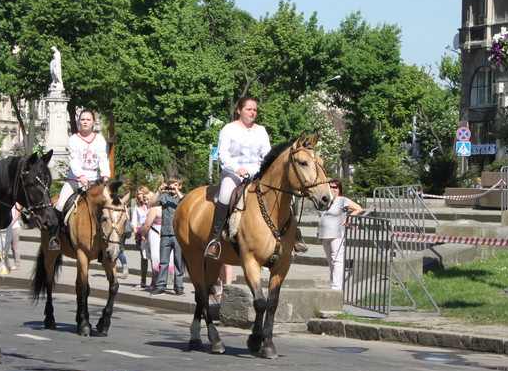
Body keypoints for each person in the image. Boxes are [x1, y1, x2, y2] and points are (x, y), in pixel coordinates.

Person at [206, 96, 308, 258]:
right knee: (225, 194)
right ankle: (215, 239)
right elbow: (223, 154)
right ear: (239, 110)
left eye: (254, 110)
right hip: (234, 171)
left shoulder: (260, 130)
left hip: (258, 171)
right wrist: (236, 168)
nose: (252, 112)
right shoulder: (228, 129)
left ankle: (295, 234)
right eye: (249, 109)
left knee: (289, 195)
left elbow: (267, 154)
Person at [55, 109, 110, 226]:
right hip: (75, 181)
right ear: (79, 121)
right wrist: (81, 176)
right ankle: (54, 235)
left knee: (112, 204)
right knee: (60, 205)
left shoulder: (100, 139)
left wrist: (105, 175)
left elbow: (103, 159)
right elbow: (74, 160)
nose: (85, 122)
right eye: (83, 119)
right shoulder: (74, 139)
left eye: (88, 120)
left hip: (94, 180)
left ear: (93, 122)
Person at [318, 178, 363, 291]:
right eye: (330, 187)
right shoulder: (324, 200)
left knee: (337, 259)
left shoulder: (342, 200)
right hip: (324, 234)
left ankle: (336, 287)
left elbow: (358, 208)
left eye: (335, 187)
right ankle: (334, 283)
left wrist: (349, 218)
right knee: (330, 260)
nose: (333, 189)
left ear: (339, 189)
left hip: (336, 233)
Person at [147, 175, 185, 296]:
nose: (172, 187)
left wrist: (177, 191)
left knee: (179, 262)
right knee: (163, 261)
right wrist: (159, 192)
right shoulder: (164, 197)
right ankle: (161, 285)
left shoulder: (183, 196)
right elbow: (151, 204)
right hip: (165, 233)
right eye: (171, 184)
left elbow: (184, 202)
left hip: (178, 234)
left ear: (180, 185)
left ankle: (178, 286)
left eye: (175, 184)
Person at [130, 186, 152, 288]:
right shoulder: (137, 208)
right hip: (142, 234)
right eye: (138, 194)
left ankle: (155, 281)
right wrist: (137, 233)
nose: (140, 196)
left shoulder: (151, 205)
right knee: (144, 257)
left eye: (141, 194)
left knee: (154, 258)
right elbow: (134, 222)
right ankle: (143, 281)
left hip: (152, 233)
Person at [10, 203, 22, 270]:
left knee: (15, 246)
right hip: (8, 227)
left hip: (14, 227)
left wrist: (11, 223)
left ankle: (17, 264)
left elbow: (17, 215)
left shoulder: (16, 204)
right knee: (10, 246)